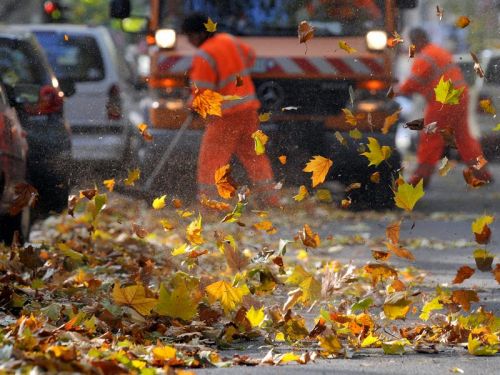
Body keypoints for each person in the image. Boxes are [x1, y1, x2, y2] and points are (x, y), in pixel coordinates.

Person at [182, 13, 278, 207]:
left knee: (212, 159)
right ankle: (270, 200)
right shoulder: (229, 40)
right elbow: (250, 56)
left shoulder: (204, 55)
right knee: (254, 156)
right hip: (248, 110)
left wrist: (193, 106)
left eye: (190, 37)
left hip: (225, 116)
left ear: (199, 34)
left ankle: (211, 204)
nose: (189, 42)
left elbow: (202, 92)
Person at [398, 28, 492, 186]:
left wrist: (395, 92)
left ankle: (420, 179)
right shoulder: (438, 52)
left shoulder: (425, 57)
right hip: (460, 98)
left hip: (444, 101)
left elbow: (411, 84)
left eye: (411, 42)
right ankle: (482, 173)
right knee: (464, 138)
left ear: (417, 40)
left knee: (431, 137)